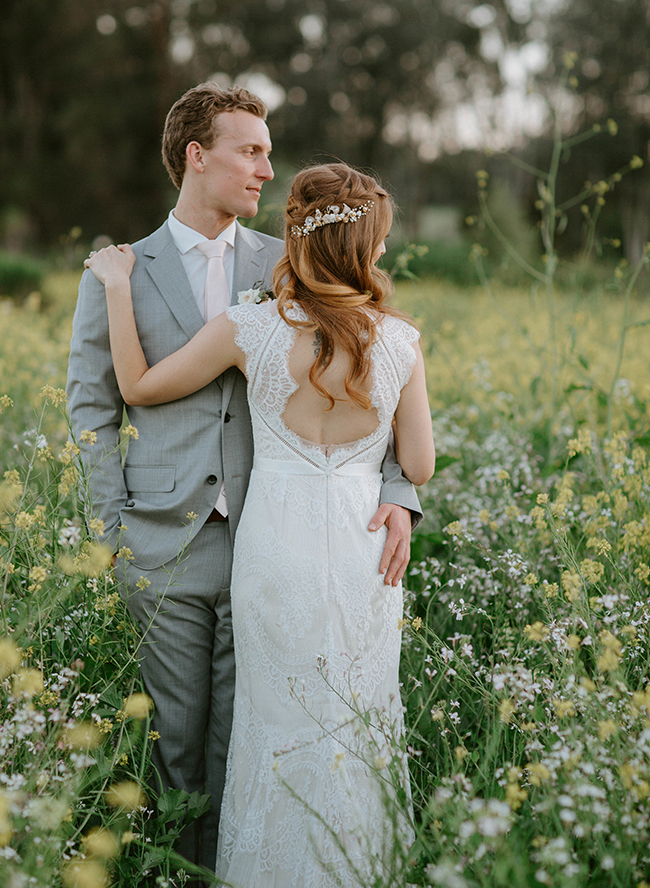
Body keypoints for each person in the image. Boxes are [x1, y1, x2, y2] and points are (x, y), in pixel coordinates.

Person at [66, 84, 421, 872]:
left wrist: (399, 493)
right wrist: (111, 529)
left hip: (278, 543)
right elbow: (92, 407)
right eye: (250, 150)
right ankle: (178, 869)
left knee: (256, 738)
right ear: (198, 155)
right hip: (161, 543)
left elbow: (375, 369)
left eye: (267, 152)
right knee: (177, 746)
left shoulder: (287, 261)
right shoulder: (117, 271)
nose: (267, 168)